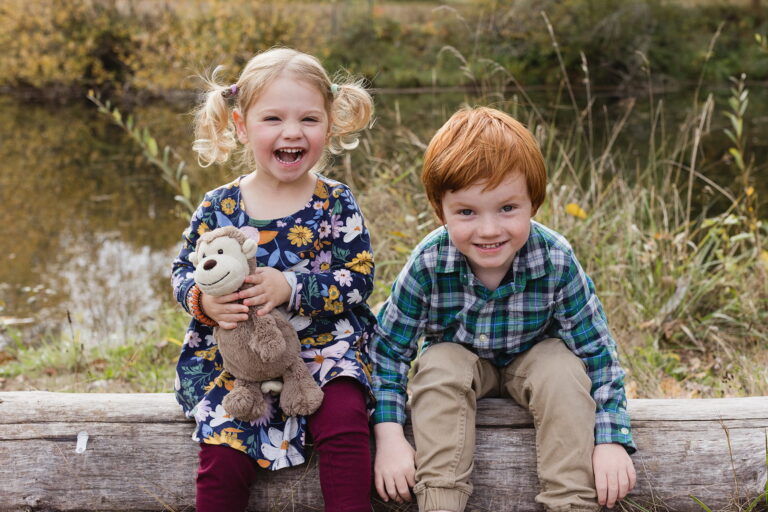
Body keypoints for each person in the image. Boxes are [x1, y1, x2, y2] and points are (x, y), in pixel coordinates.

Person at [371, 106, 637, 512]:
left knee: (562, 366)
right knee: (439, 362)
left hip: (532, 364)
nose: (489, 229)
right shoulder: (428, 263)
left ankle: (571, 502)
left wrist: (611, 440)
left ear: (533, 202)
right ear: (440, 210)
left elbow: (598, 354)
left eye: (507, 208)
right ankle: (441, 502)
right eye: (466, 212)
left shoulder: (555, 260)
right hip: (459, 369)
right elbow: (388, 352)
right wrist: (389, 438)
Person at [171, 48, 376, 512]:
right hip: (238, 359)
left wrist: (294, 288)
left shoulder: (335, 202)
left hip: (325, 348)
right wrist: (203, 302)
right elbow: (183, 270)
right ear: (242, 126)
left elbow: (359, 277)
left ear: (330, 123)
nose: (292, 132)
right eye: (273, 119)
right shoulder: (219, 205)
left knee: (344, 419)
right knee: (223, 445)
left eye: (308, 118)